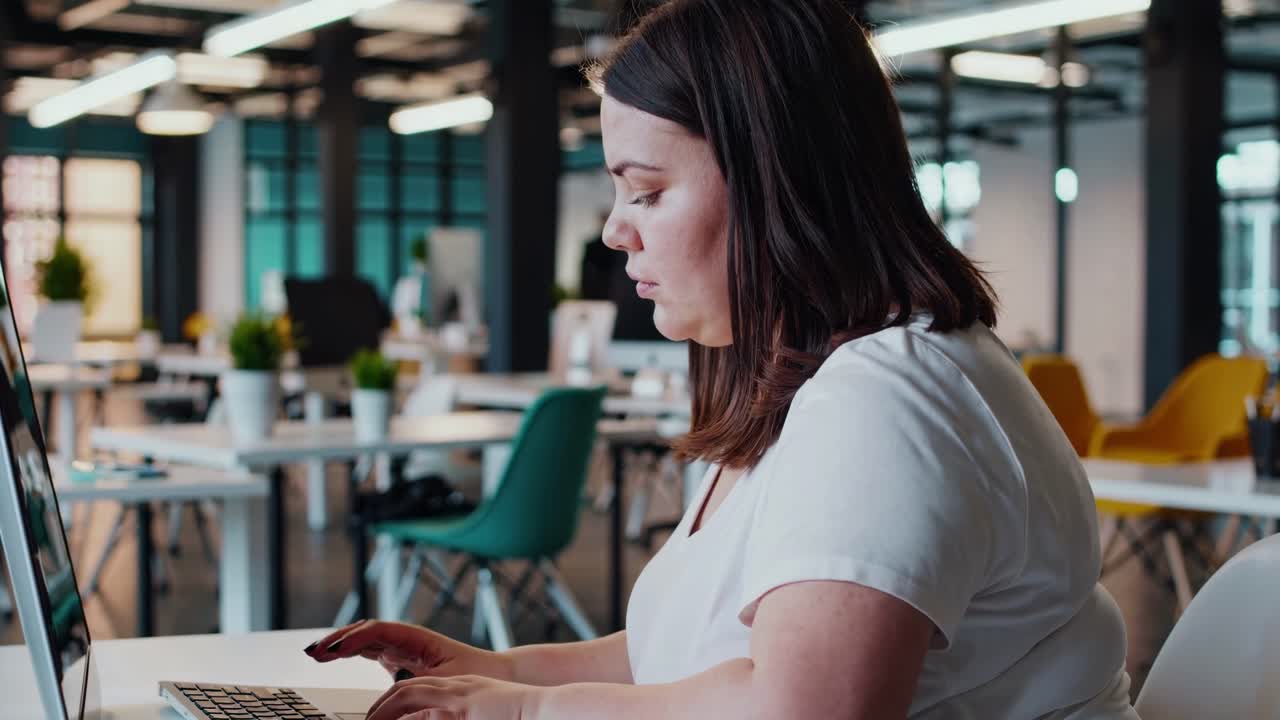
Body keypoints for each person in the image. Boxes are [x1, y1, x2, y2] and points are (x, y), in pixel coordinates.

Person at [306, 1, 1139, 717]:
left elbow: (806, 709)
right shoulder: (813, 385)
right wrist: (494, 672)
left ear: (776, 180)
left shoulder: (886, 398)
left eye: (647, 191)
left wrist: (529, 710)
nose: (614, 230)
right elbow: (682, 663)